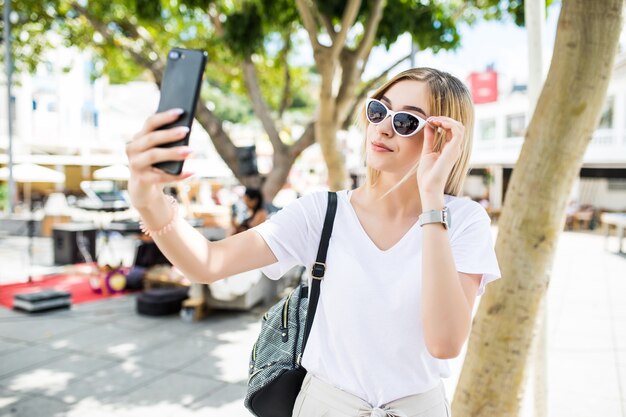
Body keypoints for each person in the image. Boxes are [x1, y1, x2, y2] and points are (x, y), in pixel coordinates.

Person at [126, 67, 501, 417]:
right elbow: (207, 263)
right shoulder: (322, 211)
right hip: (325, 405)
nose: (383, 128)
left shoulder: (464, 222)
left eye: (405, 121)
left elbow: (445, 343)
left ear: (445, 138)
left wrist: (431, 201)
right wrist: (149, 200)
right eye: (378, 111)